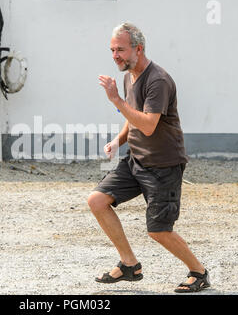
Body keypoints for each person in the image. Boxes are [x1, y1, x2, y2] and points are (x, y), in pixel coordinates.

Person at [88, 22, 210, 293]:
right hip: (136, 160)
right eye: (112, 50)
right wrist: (117, 141)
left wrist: (116, 101)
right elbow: (132, 118)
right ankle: (130, 265)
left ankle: (199, 272)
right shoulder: (128, 75)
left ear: (138, 49)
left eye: (120, 49)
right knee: (97, 200)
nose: (114, 55)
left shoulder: (158, 80)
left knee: (158, 231)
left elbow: (148, 125)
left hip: (163, 166)